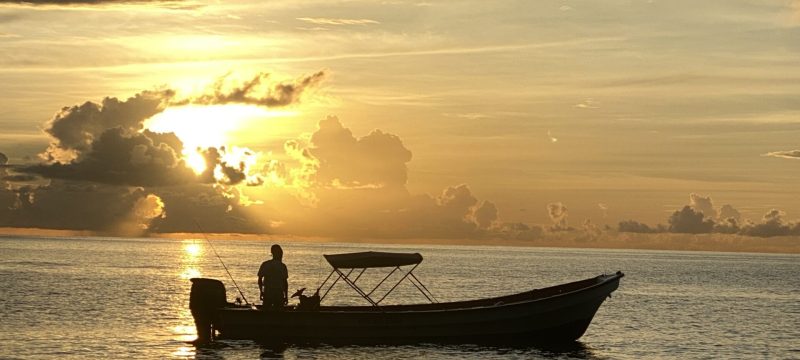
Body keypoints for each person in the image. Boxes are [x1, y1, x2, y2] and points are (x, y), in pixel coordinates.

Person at [258, 244, 288, 309]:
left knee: (266, 312)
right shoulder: (282, 266)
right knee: (278, 313)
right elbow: (285, 283)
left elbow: (260, 279)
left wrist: (261, 291)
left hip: (269, 292)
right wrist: (286, 296)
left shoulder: (265, 264)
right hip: (277, 293)